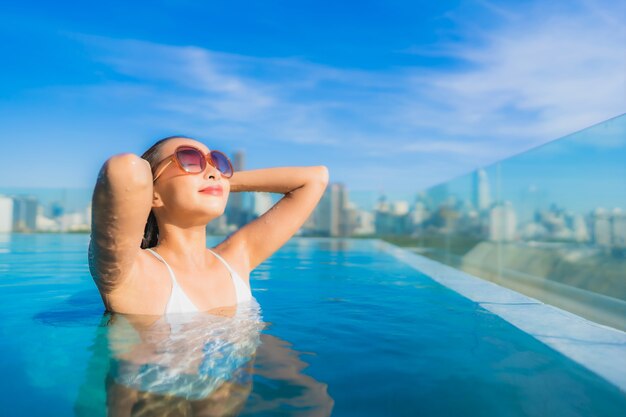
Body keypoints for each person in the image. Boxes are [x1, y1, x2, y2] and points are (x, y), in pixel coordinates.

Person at [88, 135, 329, 316]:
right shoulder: (132, 273)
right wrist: (207, 180)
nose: (213, 170)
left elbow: (315, 178)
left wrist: (218, 181)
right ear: (153, 194)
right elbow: (124, 169)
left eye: (217, 162)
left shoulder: (236, 259)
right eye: (189, 159)